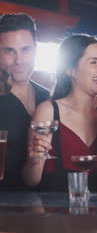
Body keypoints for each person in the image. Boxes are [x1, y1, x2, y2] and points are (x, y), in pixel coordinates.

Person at [22, 34, 97, 192]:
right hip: (58, 215)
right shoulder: (48, 111)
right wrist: (34, 160)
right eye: (94, 62)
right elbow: (31, 181)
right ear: (70, 70)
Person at [0, 13, 49, 191]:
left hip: (41, 206)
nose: (19, 60)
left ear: (35, 49)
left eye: (25, 49)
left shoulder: (46, 96)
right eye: (9, 51)